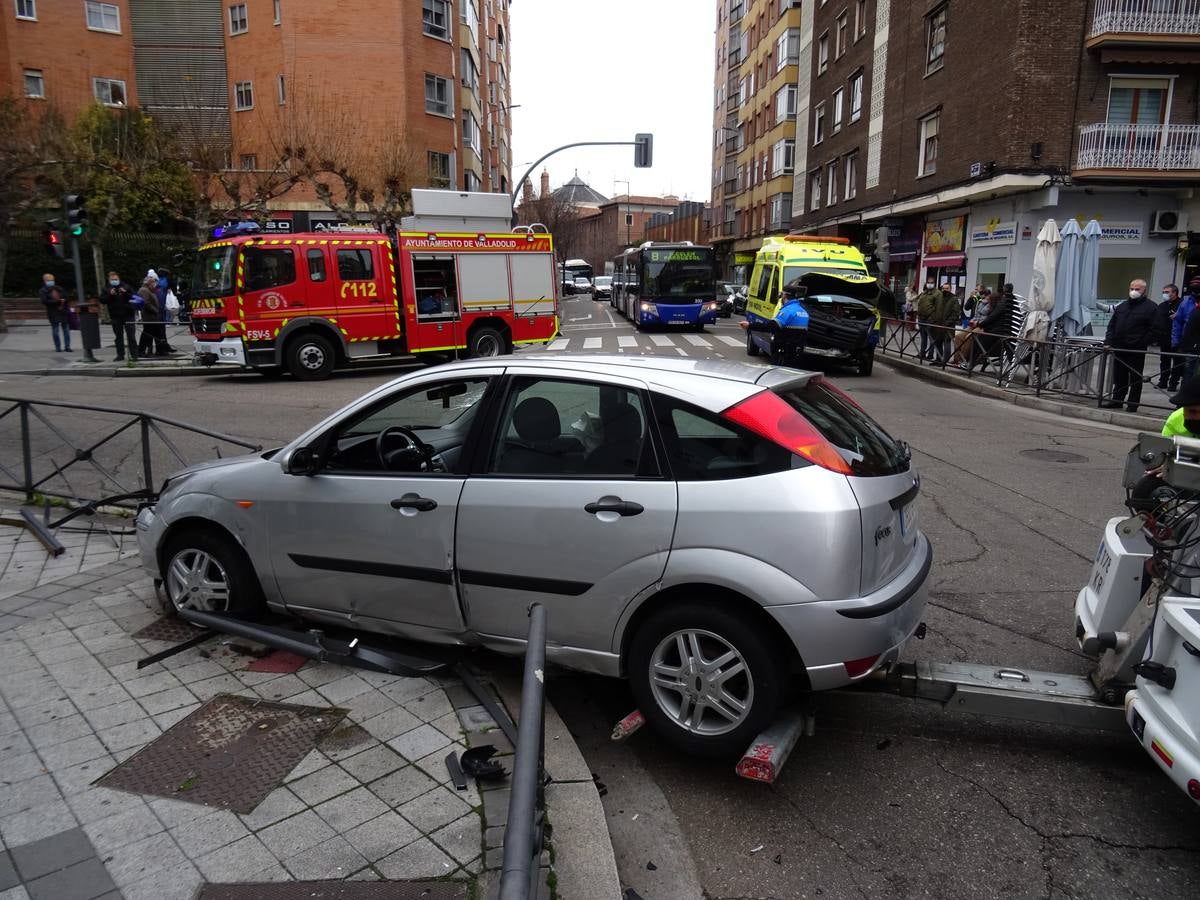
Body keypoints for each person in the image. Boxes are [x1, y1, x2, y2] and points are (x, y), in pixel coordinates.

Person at [1102, 278, 1157, 411]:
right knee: (1119, 376)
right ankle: (1117, 400)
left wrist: (1142, 342)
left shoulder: (1151, 307)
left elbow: (1155, 329)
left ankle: (1133, 403)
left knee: (1135, 377)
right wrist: (1109, 341)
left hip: (1136, 349)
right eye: (1132, 288)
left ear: (1144, 290)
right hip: (1120, 346)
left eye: (1137, 289)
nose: (1133, 291)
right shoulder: (1123, 306)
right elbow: (1112, 325)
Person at [968, 284, 1018, 374]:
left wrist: (979, 324)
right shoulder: (1015, 301)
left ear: (1004, 289)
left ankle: (970, 365)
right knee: (1009, 354)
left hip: (999, 332)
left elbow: (993, 317)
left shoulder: (1004, 301)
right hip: (1009, 333)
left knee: (977, 342)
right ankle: (1012, 371)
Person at [101, 270, 137, 361]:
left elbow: (134, 296)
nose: (114, 281)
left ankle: (134, 355)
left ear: (119, 278)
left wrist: (125, 293)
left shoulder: (126, 286)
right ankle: (120, 355)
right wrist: (110, 294)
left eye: (116, 279)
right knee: (118, 337)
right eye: (112, 279)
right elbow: (102, 300)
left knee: (131, 336)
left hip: (128, 314)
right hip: (115, 315)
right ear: (109, 280)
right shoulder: (106, 288)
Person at [1154, 284, 1182, 391]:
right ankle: (1163, 381)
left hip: (1177, 338)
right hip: (1164, 338)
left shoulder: (1181, 304)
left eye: (1167, 292)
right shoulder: (1162, 306)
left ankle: (1173, 383)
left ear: (1174, 293)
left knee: (1177, 362)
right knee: (1164, 361)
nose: (1164, 294)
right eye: (1163, 292)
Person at [135, 275, 169, 357]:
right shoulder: (144, 290)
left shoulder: (149, 290)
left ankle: (160, 350)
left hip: (153, 317)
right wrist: (155, 310)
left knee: (157, 334)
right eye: (154, 282)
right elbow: (146, 303)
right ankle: (141, 351)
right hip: (149, 317)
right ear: (149, 283)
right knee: (147, 334)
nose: (155, 284)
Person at [38, 273, 71, 352]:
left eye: (52, 280)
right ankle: (58, 347)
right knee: (55, 330)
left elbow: (66, 296)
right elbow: (44, 301)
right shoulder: (43, 290)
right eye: (49, 280)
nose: (51, 282)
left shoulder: (59, 288)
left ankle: (67, 346)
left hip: (63, 311)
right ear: (45, 281)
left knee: (66, 329)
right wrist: (57, 301)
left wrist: (64, 300)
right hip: (53, 311)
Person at [931, 282, 960, 366]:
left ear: (950, 289)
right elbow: (934, 309)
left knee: (947, 343)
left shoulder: (954, 299)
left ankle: (945, 361)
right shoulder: (939, 298)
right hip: (938, 325)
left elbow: (956, 314)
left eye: (947, 288)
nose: (945, 290)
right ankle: (938, 359)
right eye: (943, 288)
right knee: (938, 343)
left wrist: (947, 323)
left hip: (948, 326)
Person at [915, 279, 941, 360]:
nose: (929, 284)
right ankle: (922, 353)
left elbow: (939, 308)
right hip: (921, 318)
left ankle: (930, 355)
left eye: (931, 282)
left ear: (934, 283)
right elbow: (919, 303)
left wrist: (934, 319)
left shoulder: (937, 293)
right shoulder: (924, 292)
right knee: (923, 338)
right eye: (928, 282)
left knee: (931, 338)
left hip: (930, 319)